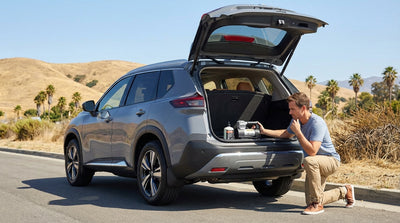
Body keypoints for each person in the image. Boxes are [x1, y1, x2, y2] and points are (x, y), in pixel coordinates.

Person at [257, 92, 355, 215]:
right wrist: (264, 131)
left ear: (303, 108)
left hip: (330, 161)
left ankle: (317, 205)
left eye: (292, 109)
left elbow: (312, 151)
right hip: (315, 164)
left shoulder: (316, 123)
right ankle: (345, 191)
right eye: (289, 109)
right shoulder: (296, 121)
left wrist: (298, 132)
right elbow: (285, 134)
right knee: (310, 200)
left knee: (309, 160)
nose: (290, 112)